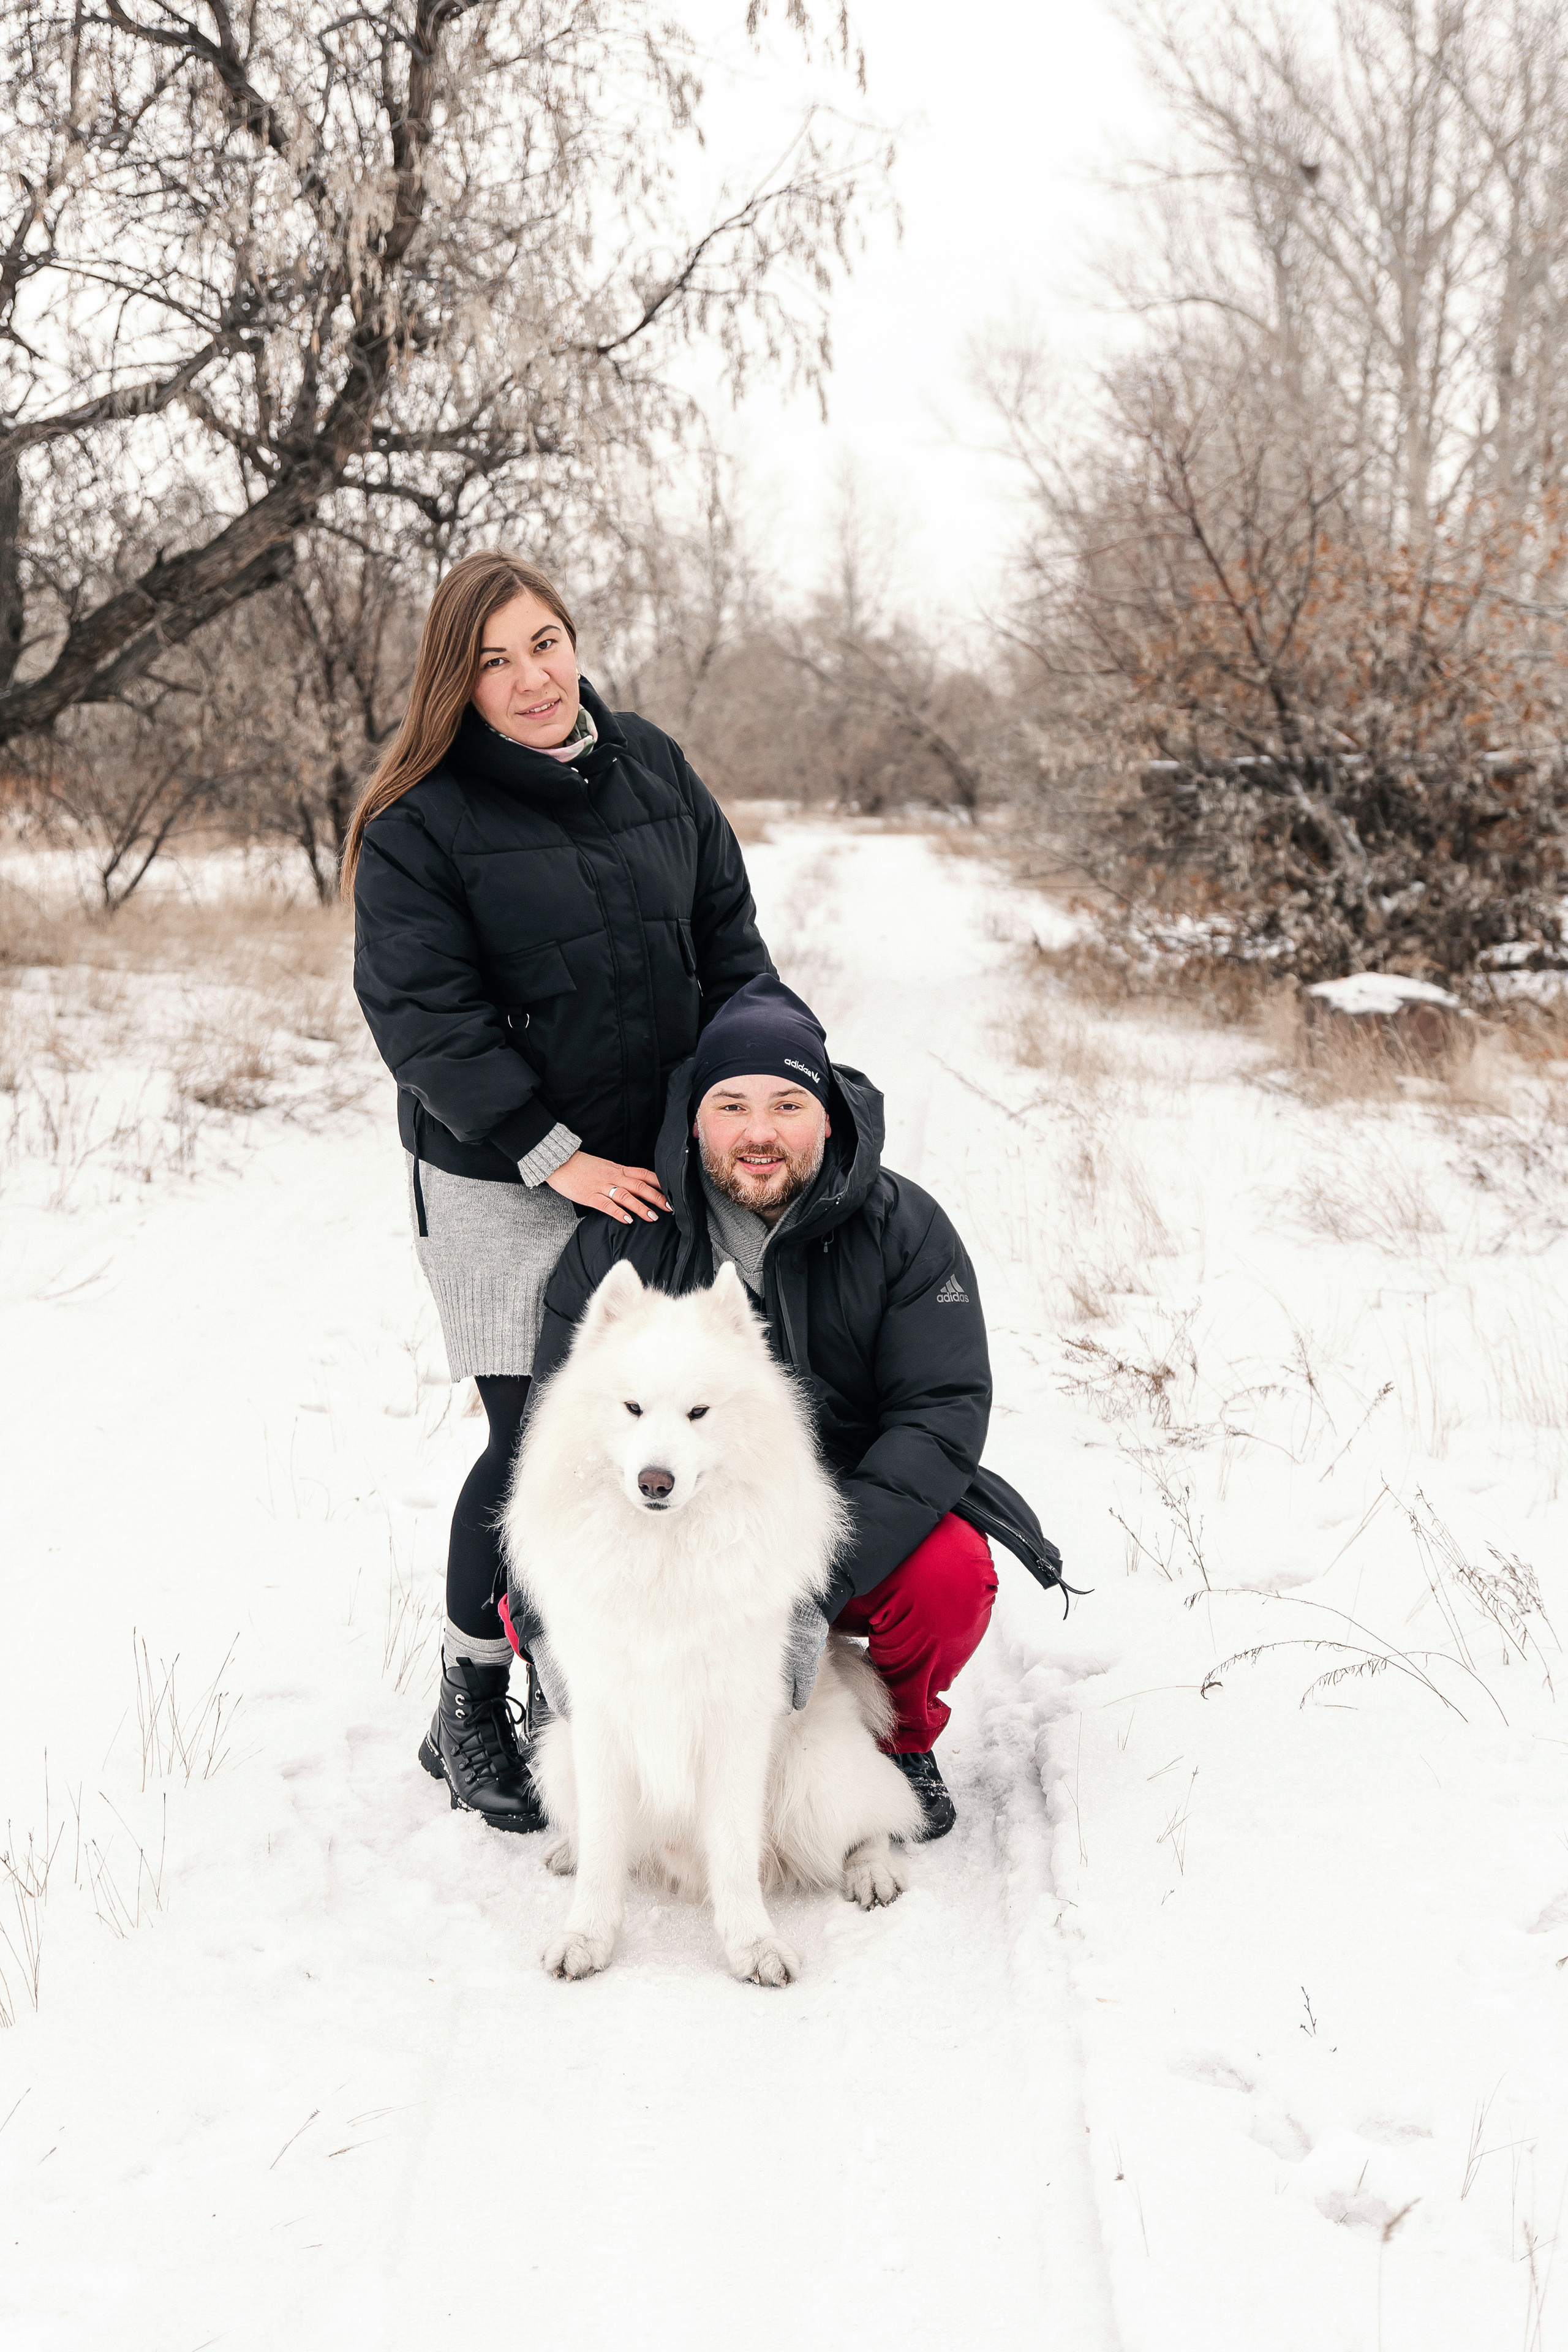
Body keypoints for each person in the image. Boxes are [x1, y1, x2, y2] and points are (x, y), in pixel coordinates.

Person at [344, 551, 772, 1831]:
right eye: (492, 660)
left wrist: (758, 1086)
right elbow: (423, 1016)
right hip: (502, 1176)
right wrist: (551, 1150)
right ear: (454, 683)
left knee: (657, 1428)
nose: (530, 678)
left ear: (574, 641)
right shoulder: (417, 823)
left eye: (544, 643)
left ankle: (598, 1692)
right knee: (535, 1440)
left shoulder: (650, 764)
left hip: (650, 1166)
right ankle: (472, 1703)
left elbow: (730, 943)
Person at [517, 974, 1066, 1841]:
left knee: (950, 1577)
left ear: (829, 1115)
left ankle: (903, 1744)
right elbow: (553, 1442)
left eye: (787, 1103)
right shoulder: (622, 1241)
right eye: (730, 1106)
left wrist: (811, 1586)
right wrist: (545, 1613)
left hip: (847, 1523)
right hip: (677, 1530)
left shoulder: (907, 1230)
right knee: (546, 1585)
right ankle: (635, 1753)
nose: (759, 1132)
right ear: (695, 1120)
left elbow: (940, 1413)